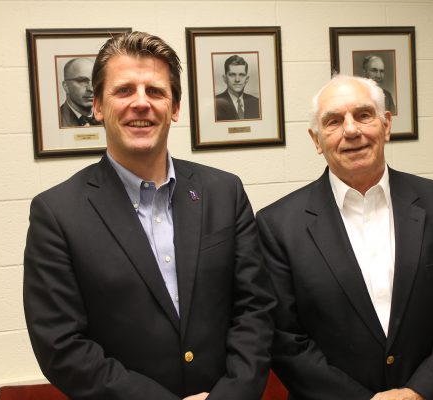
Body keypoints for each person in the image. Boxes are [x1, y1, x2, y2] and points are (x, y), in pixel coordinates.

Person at [24, 31, 276, 400]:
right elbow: (61, 345)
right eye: (124, 90)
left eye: (155, 91)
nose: (141, 103)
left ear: (174, 107)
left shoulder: (224, 192)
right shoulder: (57, 214)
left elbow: (255, 309)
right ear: (97, 106)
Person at [256, 75, 433, 400]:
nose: (351, 130)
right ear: (316, 139)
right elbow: (285, 341)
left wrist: (417, 393)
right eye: (334, 121)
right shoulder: (277, 226)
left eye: (363, 115)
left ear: (386, 124)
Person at [215, 55, 260, 121]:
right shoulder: (215, 103)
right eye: (232, 75)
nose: (237, 79)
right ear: (225, 78)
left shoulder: (256, 103)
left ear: (247, 79)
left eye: (241, 75)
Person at [59, 57, 102, 127]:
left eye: (95, 80)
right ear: (66, 86)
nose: (91, 89)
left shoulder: (107, 118)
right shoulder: (56, 119)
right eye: (82, 81)